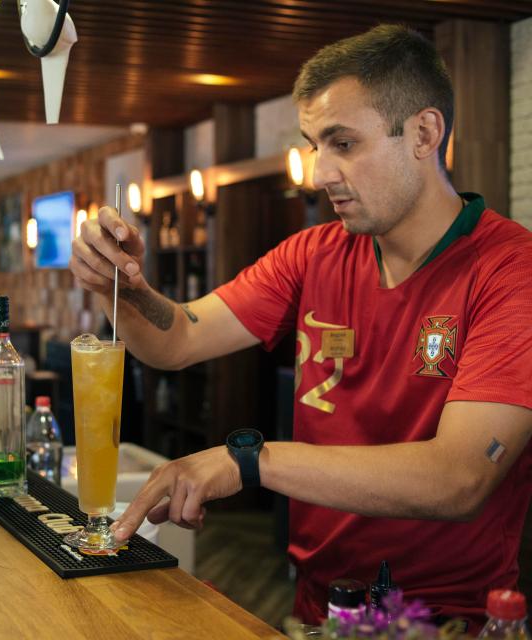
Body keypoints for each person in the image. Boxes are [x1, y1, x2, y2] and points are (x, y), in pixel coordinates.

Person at [71, 24, 532, 630]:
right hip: (318, 601)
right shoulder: (313, 253)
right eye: (316, 144)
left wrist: (249, 461)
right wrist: (124, 286)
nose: (319, 174)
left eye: (343, 143)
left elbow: (461, 476)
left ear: (423, 133)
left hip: (446, 617)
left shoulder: (510, 269)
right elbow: (178, 337)